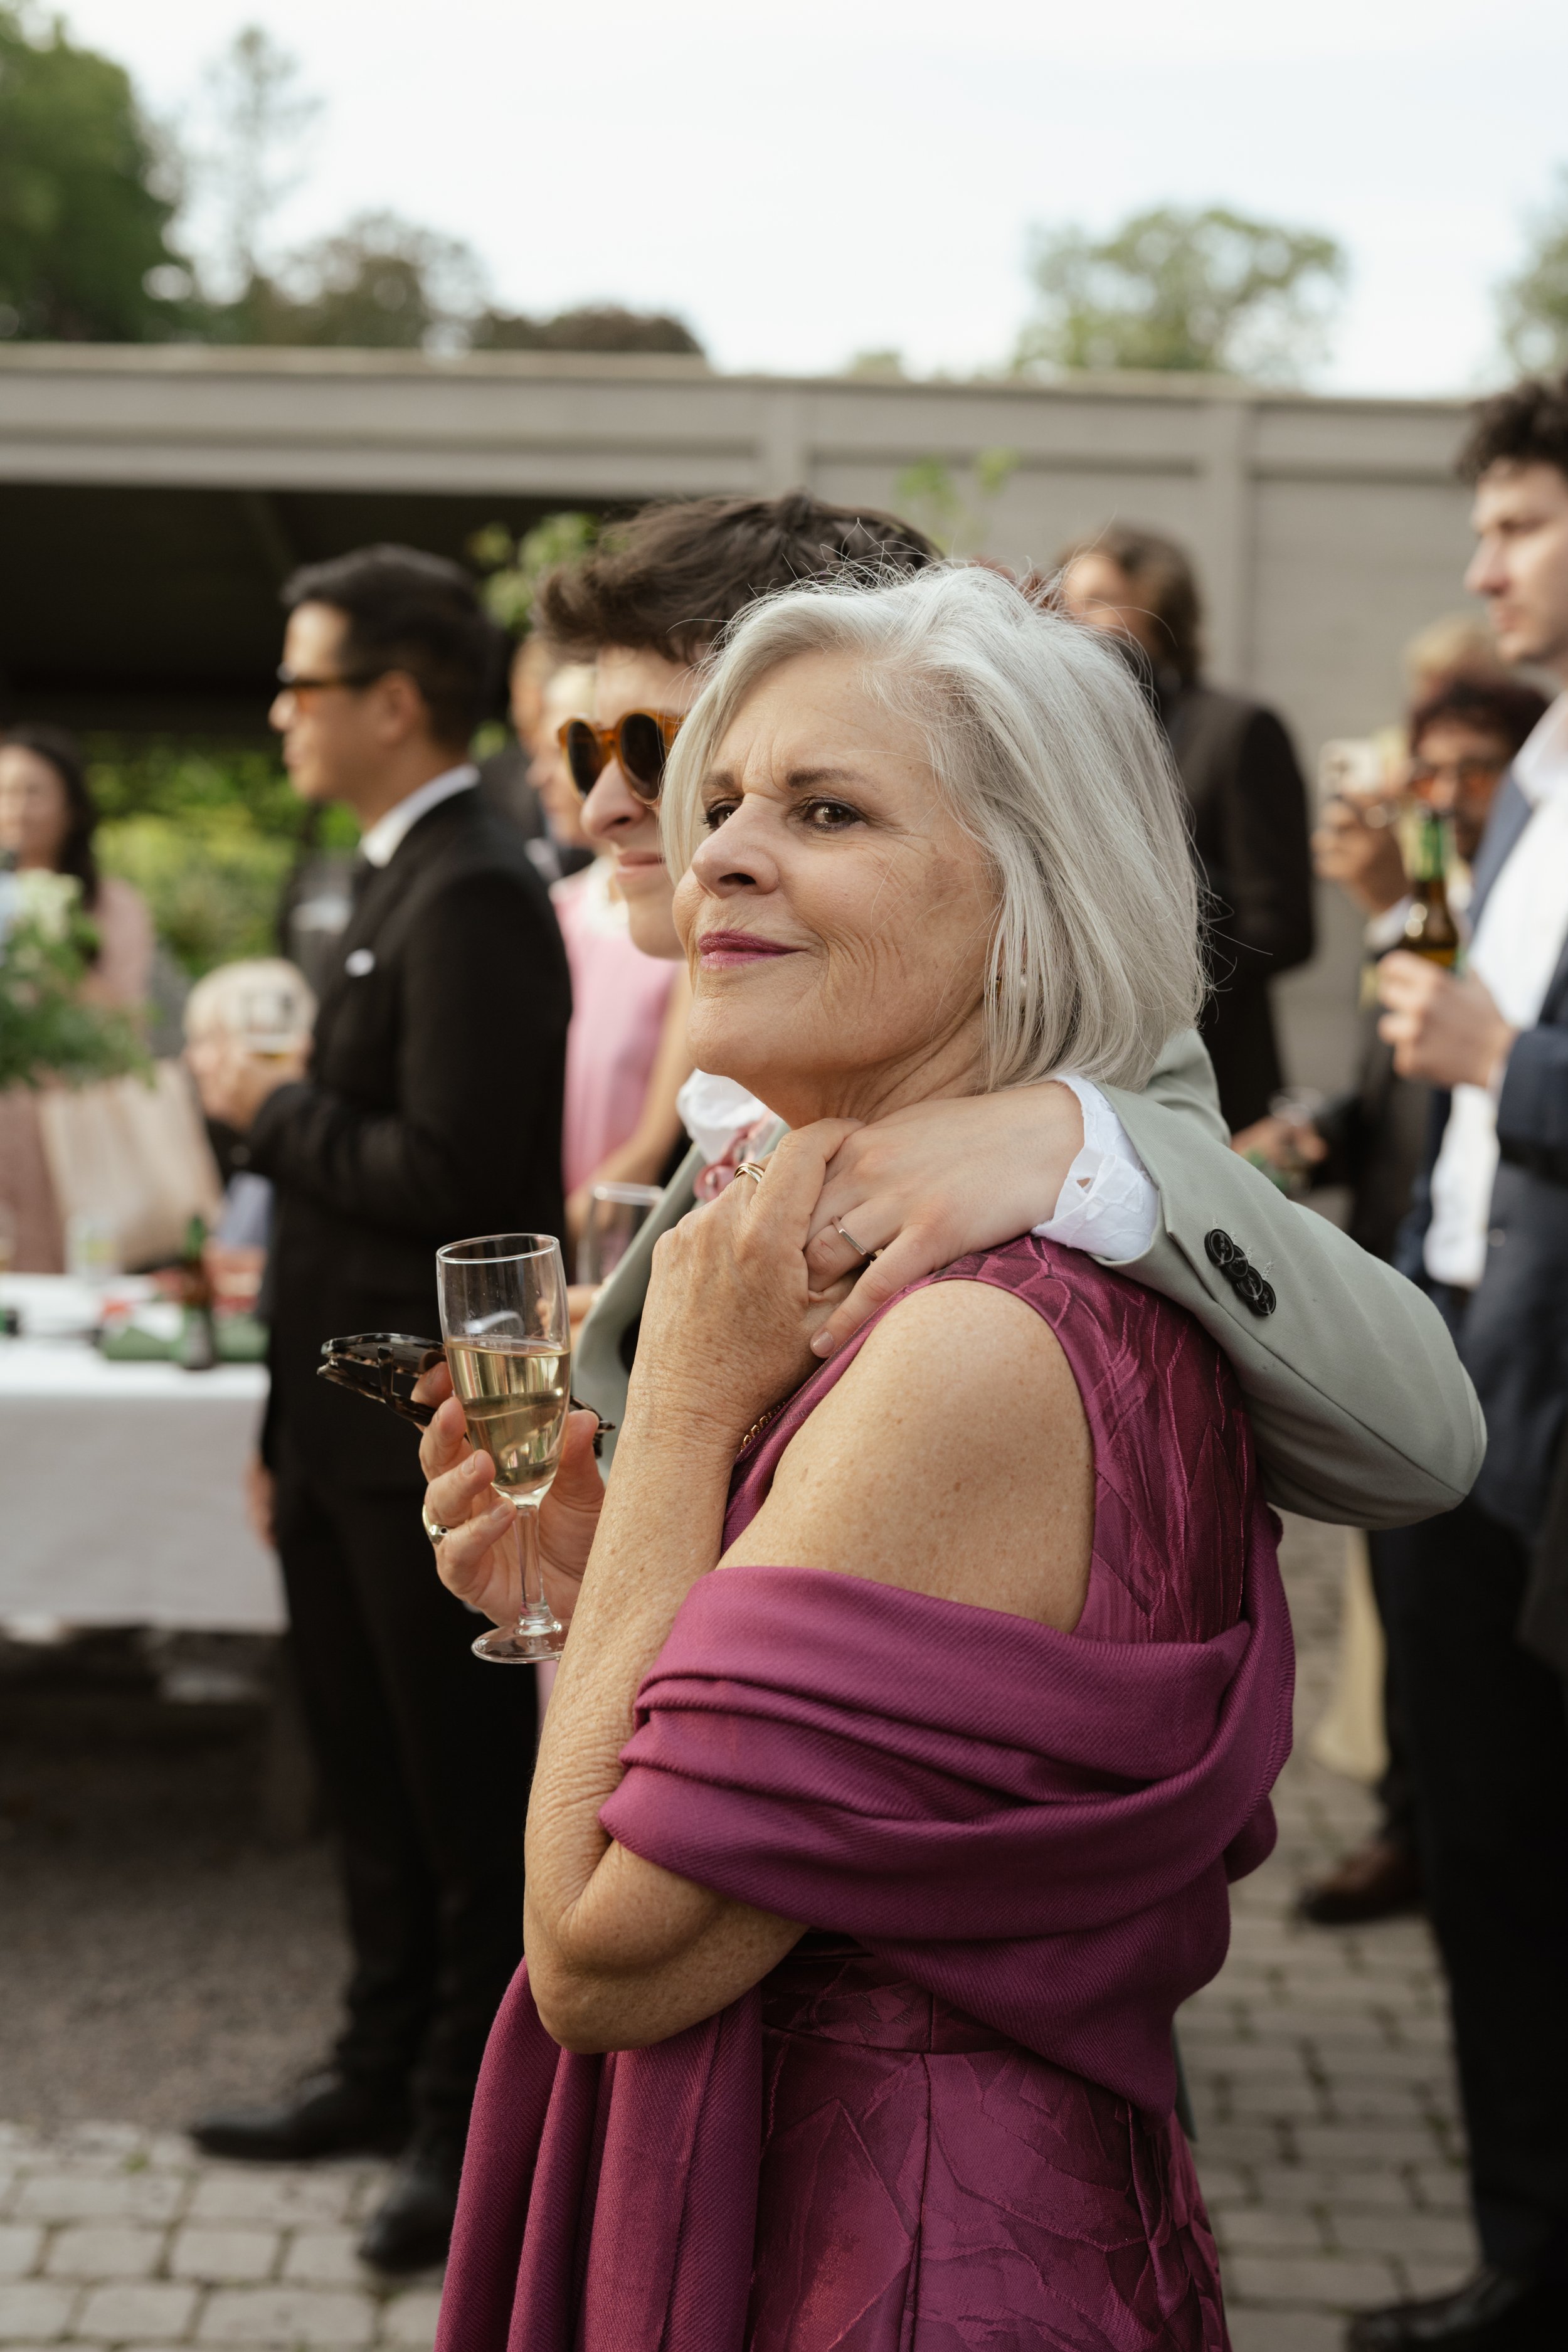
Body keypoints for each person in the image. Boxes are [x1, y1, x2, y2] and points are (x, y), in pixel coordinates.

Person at [420, 561, 1422, 2348]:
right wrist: (601, 1580)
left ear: (1027, 906)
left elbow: (596, 1949)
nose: (706, 846)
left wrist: (681, 1434)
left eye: (823, 809)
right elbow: (773, 1756)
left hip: (883, 2257)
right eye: (721, 800)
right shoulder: (907, 1263)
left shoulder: (970, 1331)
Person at [532, 492, 1478, 1528]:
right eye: (585, 749)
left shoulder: (1068, 1090)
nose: (608, 804)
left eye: (646, 746)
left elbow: (1421, 1438)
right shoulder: (774, 1051)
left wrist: (1082, 1140)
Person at [186, 546, 571, 2275]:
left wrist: (269, 1111)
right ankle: (368, 2057)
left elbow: (458, 1177)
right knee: (360, 1768)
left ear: (395, 699)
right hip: (331, 1416)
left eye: (304, 680)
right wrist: (275, 1427)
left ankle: (454, 2117)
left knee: (451, 1785)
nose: (279, 710)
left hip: (426, 1418)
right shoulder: (375, 874)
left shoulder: (475, 887)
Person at [1340, 372, 1568, 2352]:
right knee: (1483, 1868)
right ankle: (1522, 2258)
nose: (1477, 562)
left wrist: (1515, 1060)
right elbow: (1450, 1074)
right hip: (1462, 1401)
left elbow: (1512, 1066)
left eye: (1512, 522)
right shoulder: (1525, 778)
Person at [1264, 673, 1547, 1932]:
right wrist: (1302, 1134)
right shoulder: (1455, 900)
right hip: (1434, 1324)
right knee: (1436, 1679)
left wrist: (1500, 1060)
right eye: (1422, 776)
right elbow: (1398, 1091)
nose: (1439, 801)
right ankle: (1418, 1829)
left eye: (1467, 774)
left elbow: (1478, 1071)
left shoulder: (1511, 879)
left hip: (1530, 1349)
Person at [1059, 524, 1315, 1131]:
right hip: (1091, 1084)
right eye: (1064, 608)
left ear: (1159, 605)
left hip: (1214, 1078)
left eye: (1095, 602)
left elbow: (1284, 926)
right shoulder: (1074, 740)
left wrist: (1138, 960)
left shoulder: (1237, 729)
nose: (1072, 625)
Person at [532, 662, 694, 1243]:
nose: (543, 777)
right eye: (581, 752)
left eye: (643, 749)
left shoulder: (684, 925)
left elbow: (654, 1141)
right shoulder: (557, 910)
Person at [0, 724, 154, 1271]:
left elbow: (127, 1032)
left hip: (75, 1138)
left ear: (71, 807)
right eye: (4, 790)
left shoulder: (113, 906)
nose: (15, 807)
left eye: (32, 791)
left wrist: (52, 941)